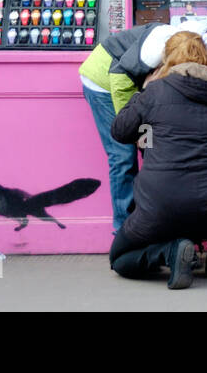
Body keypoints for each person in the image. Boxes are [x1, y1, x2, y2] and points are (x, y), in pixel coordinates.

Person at [108, 32, 207, 289]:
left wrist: (146, 91)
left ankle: (170, 252)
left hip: (160, 210)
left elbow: (120, 131)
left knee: (119, 259)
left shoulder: (156, 91)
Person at [77, 22, 182, 233]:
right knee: (123, 154)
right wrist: (133, 128)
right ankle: (124, 232)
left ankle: (146, 222)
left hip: (135, 85)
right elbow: (120, 83)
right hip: (106, 83)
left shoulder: (195, 49)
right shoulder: (154, 53)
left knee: (151, 150)